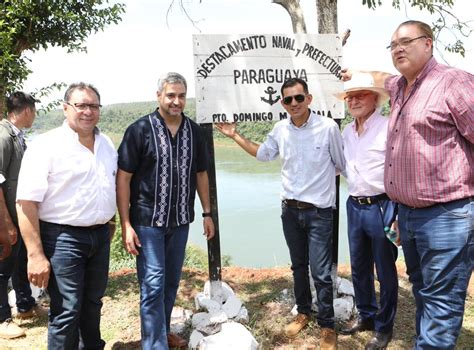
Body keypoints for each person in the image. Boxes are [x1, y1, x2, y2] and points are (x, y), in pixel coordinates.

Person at [344, 20, 473, 349]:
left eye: (406, 41)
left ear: (428, 44)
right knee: (423, 291)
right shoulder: (400, 87)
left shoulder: (453, 83)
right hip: (409, 215)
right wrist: (354, 73)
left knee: (441, 304)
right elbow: (377, 78)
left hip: (449, 215)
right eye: (393, 45)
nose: (398, 48)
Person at [216, 77, 345, 350]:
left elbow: (340, 164)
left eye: (299, 98)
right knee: (298, 266)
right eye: (288, 100)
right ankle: (303, 313)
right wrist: (235, 135)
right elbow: (263, 155)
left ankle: (327, 325)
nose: (294, 103)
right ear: (282, 103)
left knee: (321, 273)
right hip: (290, 211)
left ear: (309, 99)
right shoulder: (280, 129)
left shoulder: (328, 128)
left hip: (320, 213)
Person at [116, 72, 215, 350]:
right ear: (159, 96)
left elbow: (201, 174)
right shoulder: (139, 130)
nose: (176, 101)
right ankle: (155, 345)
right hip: (147, 222)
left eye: (181, 96)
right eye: (171, 95)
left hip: (181, 220)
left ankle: (161, 331)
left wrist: (207, 213)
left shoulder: (193, 131)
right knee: (153, 283)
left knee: (170, 281)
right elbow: (123, 178)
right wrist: (125, 223)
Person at [16, 83, 117, 349]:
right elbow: (26, 202)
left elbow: (111, 185)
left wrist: (111, 220)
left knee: (93, 304)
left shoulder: (106, 143)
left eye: (93, 106)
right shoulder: (46, 145)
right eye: (81, 105)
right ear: (65, 108)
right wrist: (35, 255)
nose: (88, 112)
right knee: (66, 310)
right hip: (62, 238)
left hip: (99, 236)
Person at [335, 74, 398, 350]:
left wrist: (397, 213)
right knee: (359, 268)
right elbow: (338, 166)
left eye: (361, 94)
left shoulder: (388, 127)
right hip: (355, 205)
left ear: (375, 98)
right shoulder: (346, 132)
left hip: (382, 206)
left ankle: (384, 328)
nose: (354, 100)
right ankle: (367, 316)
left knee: (385, 271)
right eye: (350, 96)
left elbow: (400, 168)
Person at [0, 92, 48, 339]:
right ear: (28, 110)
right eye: (35, 111)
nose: (35, 115)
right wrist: (5, 222)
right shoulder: (3, 136)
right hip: (4, 216)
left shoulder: (17, 135)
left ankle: (25, 305)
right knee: (3, 266)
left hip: (16, 215)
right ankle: (2, 319)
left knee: (19, 263)